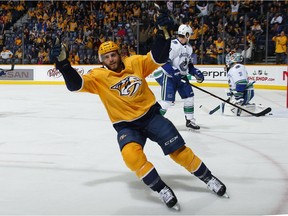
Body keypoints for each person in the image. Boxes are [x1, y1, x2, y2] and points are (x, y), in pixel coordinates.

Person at [50, 13, 227, 211]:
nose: (111, 59)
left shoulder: (135, 63)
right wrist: (64, 66)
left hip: (150, 116)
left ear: (119, 54)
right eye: (107, 57)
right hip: (126, 125)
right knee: (131, 157)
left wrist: (162, 36)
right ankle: (161, 189)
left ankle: (208, 178)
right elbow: (75, 85)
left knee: (178, 152)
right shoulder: (98, 76)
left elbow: (157, 58)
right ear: (102, 60)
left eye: (113, 54)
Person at [153, 24, 204, 130]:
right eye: (190, 34)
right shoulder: (173, 45)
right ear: (186, 34)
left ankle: (190, 121)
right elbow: (163, 62)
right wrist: (173, 72)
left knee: (189, 98)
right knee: (167, 102)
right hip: (170, 77)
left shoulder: (189, 48)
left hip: (182, 77)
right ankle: (153, 122)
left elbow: (188, 65)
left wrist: (195, 72)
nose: (191, 36)